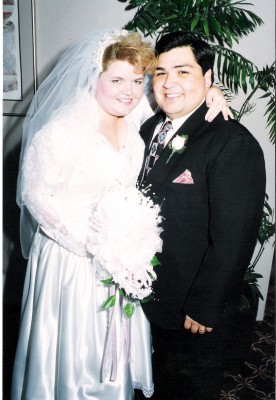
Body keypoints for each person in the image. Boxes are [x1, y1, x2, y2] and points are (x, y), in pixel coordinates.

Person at [12, 29, 231, 400]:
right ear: (92, 78)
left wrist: (213, 90)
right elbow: (35, 196)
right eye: (116, 79)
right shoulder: (59, 132)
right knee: (75, 360)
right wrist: (100, 247)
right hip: (72, 263)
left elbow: (178, 97)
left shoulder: (138, 117)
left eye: (136, 80)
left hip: (125, 258)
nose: (129, 90)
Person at [138, 31, 266, 400]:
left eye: (183, 71)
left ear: (208, 78)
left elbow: (234, 237)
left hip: (191, 312)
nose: (169, 83)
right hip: (147, 301)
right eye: (160, 73)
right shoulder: (149, 129)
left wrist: (204, 306)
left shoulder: (232, 142)